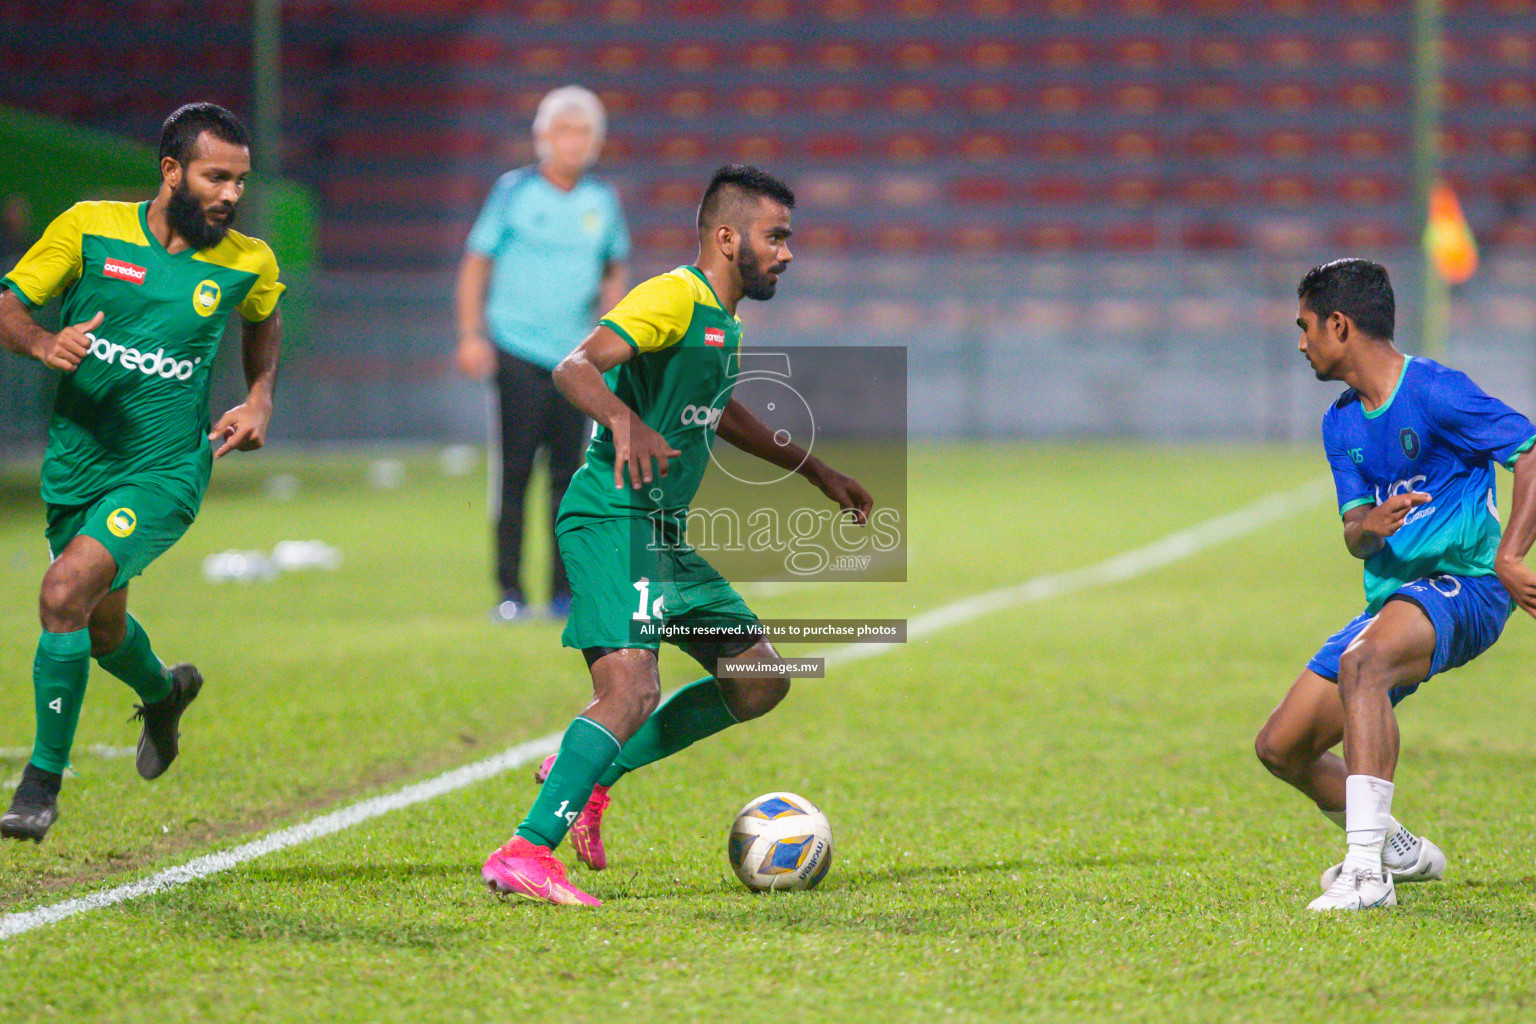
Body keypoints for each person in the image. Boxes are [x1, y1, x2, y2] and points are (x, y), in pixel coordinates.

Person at [480, 165, 873, 906]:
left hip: (660, 530)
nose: (788, 253)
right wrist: (622, 420)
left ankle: (599, 779)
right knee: (629, 687)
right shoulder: (670, 298)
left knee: (759, 680)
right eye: (776, 236)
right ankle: (525, 852)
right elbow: (575, 368)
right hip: (611, 516)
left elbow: (721, 412)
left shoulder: (723, 322)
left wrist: (816, 472)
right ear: (727, 238)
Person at [0, 103, 284, 843]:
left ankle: (39, 785)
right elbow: (10, 308)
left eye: (240, 181)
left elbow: (263, 314)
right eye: (215, 176)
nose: (230, 194)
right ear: (170, 171)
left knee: (62, 593)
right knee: (99, 629)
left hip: (163, 471)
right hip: (78, 462)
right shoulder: (89, 228)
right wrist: (41, 344)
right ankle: (164, 693)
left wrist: (258, 397)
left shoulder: (246, 259)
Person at [1254, 258, 1536, 911]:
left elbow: (1528, 453)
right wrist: (1370, 528)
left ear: (1340, 324)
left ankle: (1365, 872)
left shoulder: (1436, 391)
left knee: (1365, 662)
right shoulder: (1342, 423)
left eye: (1306, 327)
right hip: (1394, 595)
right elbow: (1354, 533)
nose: (1301, 343)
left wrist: (1511, 556)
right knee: (1281, 746)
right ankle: (1394, 848)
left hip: (1467, 586)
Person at [454, 85, 630, 622]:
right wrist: (471, 333)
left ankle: (563, 592)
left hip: (576, 360)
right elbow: (477, 263)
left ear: (596, 142)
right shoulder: (513, 193)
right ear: (542, 137)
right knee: (513, 474)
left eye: (583, 132)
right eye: (563, 130)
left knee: (571, 478)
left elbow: (614, 271)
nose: (573, 141)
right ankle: (510, 592)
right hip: (515, 349)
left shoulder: (602, 201)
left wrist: (614, 338)